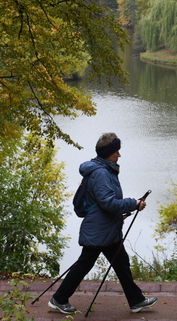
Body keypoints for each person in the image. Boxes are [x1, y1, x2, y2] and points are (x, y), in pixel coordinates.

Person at [48, 132, 158, 315]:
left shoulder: (106, 169)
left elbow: (104, 203)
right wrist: (133, 203)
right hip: (99, 230)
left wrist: (122, 212)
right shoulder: (101, 173)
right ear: (108, 153)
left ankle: (136, 301)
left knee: (121, 262)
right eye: (117, 151)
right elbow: (108, 203)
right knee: (84, 265)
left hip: (106, 228)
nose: (119, 155)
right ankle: (59, 299)